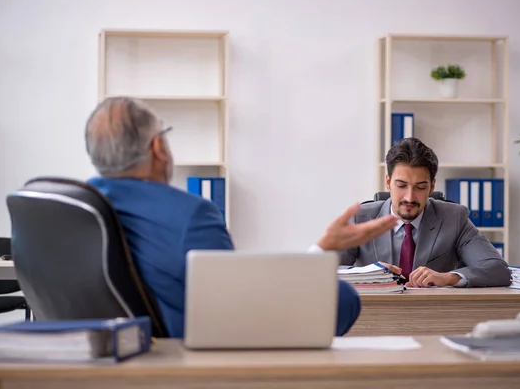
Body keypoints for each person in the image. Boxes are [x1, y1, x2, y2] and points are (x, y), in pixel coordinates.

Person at [84, 96, 398, 338]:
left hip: (110, 363)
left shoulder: (77, 208)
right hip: (189, 368)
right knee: (341, 296)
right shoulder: (189, 215)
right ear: (158, 147)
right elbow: (237, 311)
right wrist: (320, 258)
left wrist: (320, 250)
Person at [339, 137, 511, 288]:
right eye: (401, 186)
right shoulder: (359, 218)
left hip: (434, 315)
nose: (410, 197)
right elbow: (326, 271)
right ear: (388, 182)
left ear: (432, 186)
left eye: (420, 187)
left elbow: (498, 269)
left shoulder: (454, 218)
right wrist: (369, 273)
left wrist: (448, 277)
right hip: (376, 315)